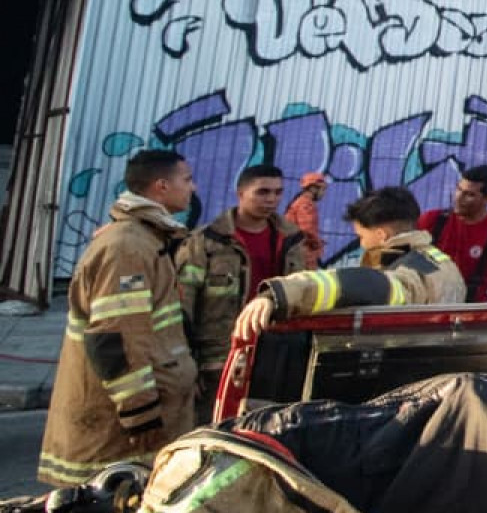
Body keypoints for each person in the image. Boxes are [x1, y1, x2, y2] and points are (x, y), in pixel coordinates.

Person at [39, 150, 198, 487]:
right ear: (161, 186)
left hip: (138, 417)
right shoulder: (127, 248)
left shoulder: (146, 240)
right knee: (106, 511)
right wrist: (141, 414)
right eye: (187, 180)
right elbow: (116, 339)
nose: (193, 187)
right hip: (117, 434)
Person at [233, 187, 465, 341]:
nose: (361, 244)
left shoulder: (411, 272)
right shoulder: (439, 261)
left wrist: (281, 294)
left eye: (361, 236)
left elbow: (365, 286)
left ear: (382, 235)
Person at [177, 164, 314, 415]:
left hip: (277, 355)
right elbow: (182, 305)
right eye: (262, 192)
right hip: (220, 360)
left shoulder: (292, 239)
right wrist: (188, 365)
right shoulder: (206, 241)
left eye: (278, 192)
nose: (271, 199)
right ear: (240, 193)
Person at [419, 165, 487, 302]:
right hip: (429, 306)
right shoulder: (431, 220)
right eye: (458, 189)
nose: (459, 197)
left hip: (471, 310)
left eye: (469, 194)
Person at [285, 171, 328, 261]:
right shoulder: (306, 205)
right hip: (303, 254)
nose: (324, 193)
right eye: (323, 189)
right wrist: (318, 244)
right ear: (313, 189)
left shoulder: (300, 201)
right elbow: (307, 231)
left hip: (296, 250)